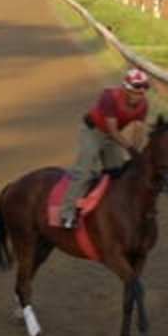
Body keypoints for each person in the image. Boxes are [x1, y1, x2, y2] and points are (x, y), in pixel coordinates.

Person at [59, 68, 151, 229]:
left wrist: (136, 151)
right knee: (85, 170)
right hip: (93, 132)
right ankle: (67, 214)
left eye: (145, 87)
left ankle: (111, 208)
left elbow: (138, 129)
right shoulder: (109, 97)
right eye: (137, 87)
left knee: (117, 172)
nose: (141, 91)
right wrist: (130, 148)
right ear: (126, 87)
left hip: (112, 137)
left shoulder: (143, 105)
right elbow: (112, 130)